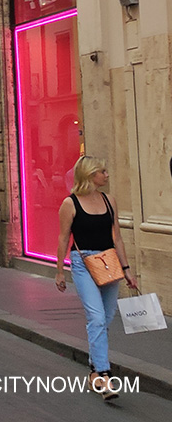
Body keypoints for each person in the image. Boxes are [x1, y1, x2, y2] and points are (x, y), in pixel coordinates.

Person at [55, 156, 138, 400]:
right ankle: (103, 374)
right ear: (90, 175)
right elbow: (63, 238)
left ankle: (94, 370)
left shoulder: (109, 200)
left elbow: (118, 238)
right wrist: (60, 270)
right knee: (97, 316)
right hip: (83, 263)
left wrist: (127, 269)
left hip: (109, 262)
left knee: (106, 318)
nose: (107, 175)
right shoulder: (70, 204)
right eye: (103, 171)